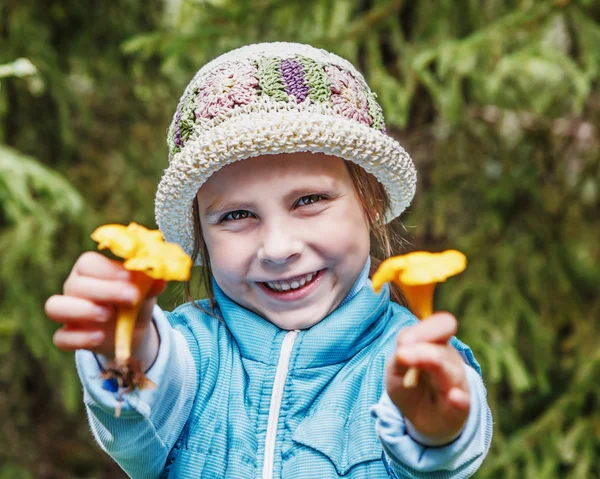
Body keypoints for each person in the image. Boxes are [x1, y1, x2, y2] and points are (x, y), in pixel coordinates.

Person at [45, 42, 492, 478]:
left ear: (371, 203)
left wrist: (435, 434)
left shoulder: (410, 359)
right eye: (237, 215)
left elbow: (446, 453)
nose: (278, 248)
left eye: (310, 200)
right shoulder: (190, 354)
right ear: (202, 234)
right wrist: (124, 348)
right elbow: (138, 416)